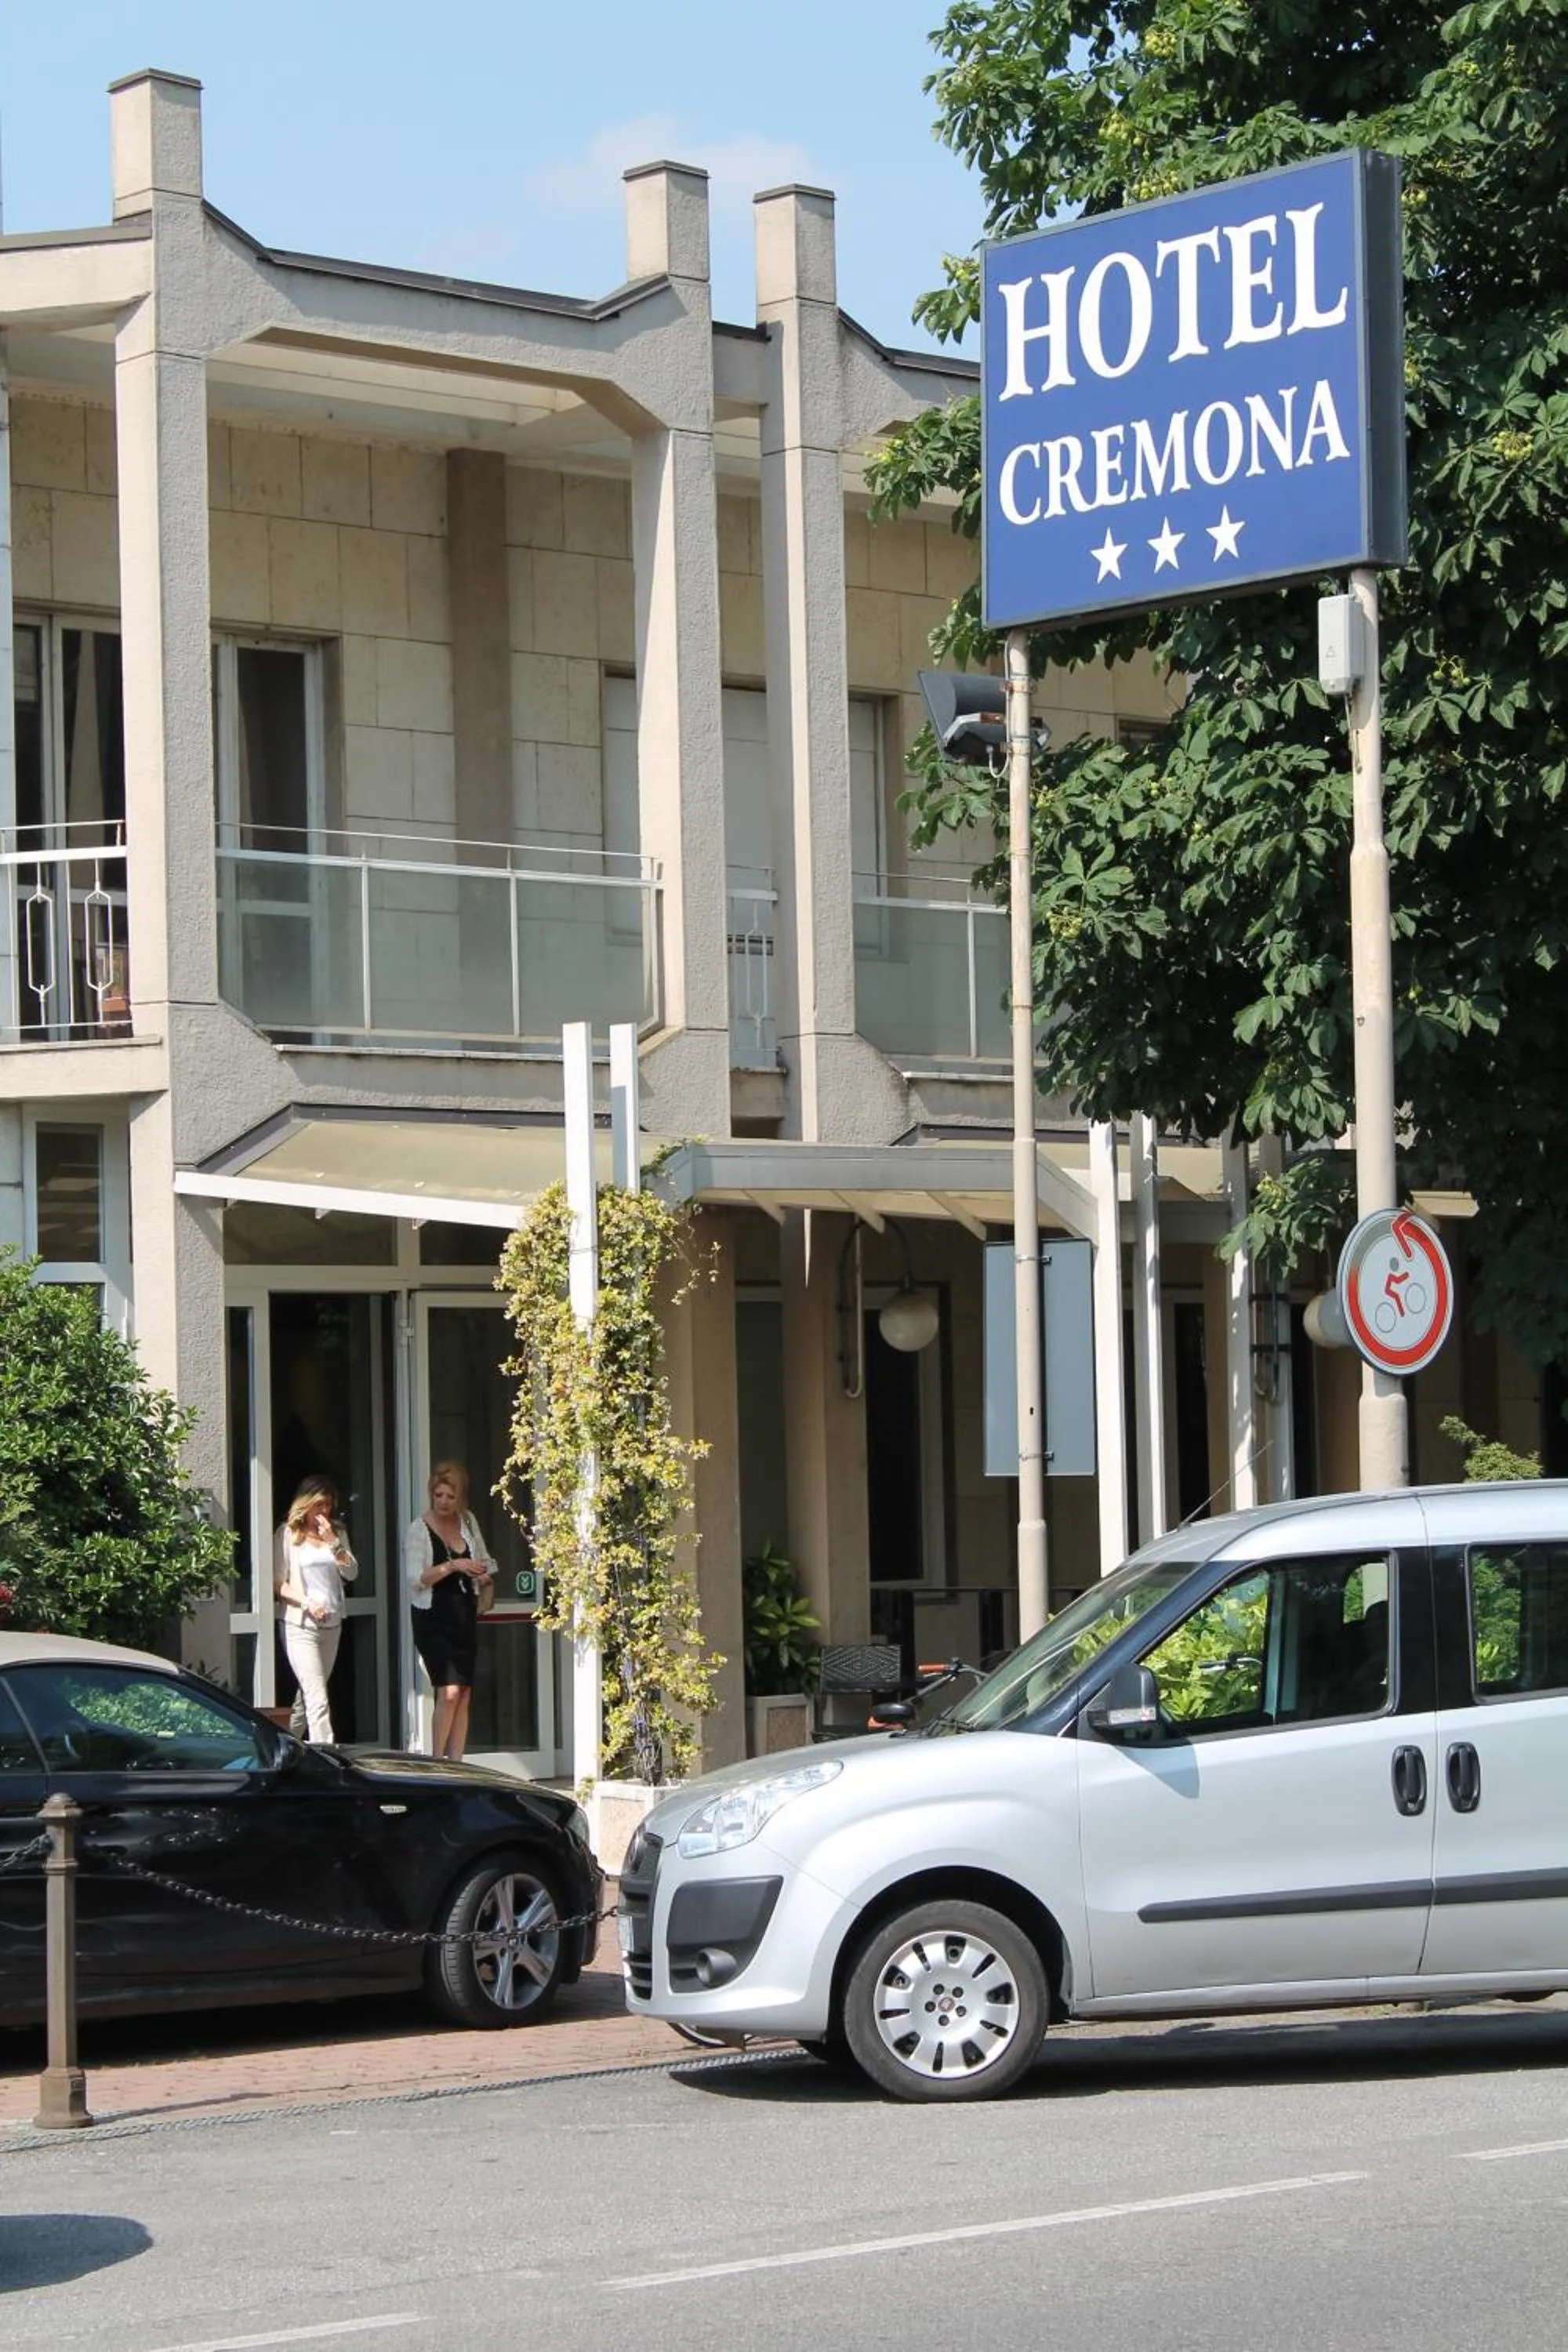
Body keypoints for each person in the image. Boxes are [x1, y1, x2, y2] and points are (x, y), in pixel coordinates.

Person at [405, 1462, 495, 1762]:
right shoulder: (419, 1528)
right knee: (449, 1691)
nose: (443, 1502)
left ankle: (457, 1762)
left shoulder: (468, 1522)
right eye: (438, 1495)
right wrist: (453, 1565)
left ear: (460, 1499)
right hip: (433, 1616)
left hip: (463, 1614)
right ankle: (437, 1760)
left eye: (450, 1497)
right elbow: (416, 1580)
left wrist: (483, 1576)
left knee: (464, 1693)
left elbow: (485, 1560)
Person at [274, 1479, 358, 1744]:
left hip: (332, 1625)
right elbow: (278, 1584)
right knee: (318, 1699)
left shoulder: (337, 1534)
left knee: (308, 1695)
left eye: (328, 1505)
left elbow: (352, 1572)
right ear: (305, 1504)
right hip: (300, 1626)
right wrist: (307, 1602)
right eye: (318, 1505)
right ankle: (326, 1756)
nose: (323, 1512)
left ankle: (283, 1746)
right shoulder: (287, 1534)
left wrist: (334, 1542)